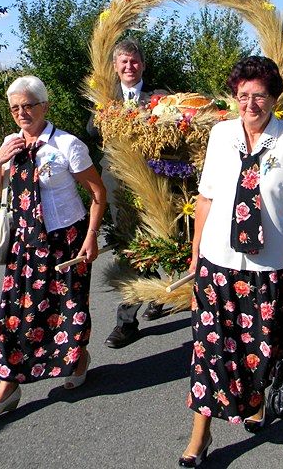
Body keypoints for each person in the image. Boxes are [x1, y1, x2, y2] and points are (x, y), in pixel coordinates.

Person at [179, 56, 283, 466]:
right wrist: (196, 252)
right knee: (210, 350)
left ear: (274, 98)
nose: (250, 104)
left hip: (271, 268)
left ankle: (257, 403)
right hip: (217, 265)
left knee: (263, 347)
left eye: (259, 95)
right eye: (242, 95)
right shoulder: (221, 135)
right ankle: (200, 435)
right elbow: (205, 196)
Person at [0, 76, 107, 417]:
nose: (22, 113)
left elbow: (97, 194)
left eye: (28, 106)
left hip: (66, 240)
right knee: (14, 315)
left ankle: (77, 361)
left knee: (68, 307)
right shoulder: (10, 145)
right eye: (15, 108)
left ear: (44, 106)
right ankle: (8, 386)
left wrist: (91, 236)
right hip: (25, 242)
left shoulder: (67, 145)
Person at [90, 39, 169, 349]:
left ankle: (155, 291)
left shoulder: (158, 97)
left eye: (134, 61)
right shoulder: (105, 98)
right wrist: (107, 114)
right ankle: (127, 321)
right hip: (117, 179)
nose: (129, 67)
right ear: (115, 67)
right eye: (123, 62)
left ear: (143, 65)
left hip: (152, 179)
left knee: (155, 238)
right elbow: (92, 131)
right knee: (128, 243)